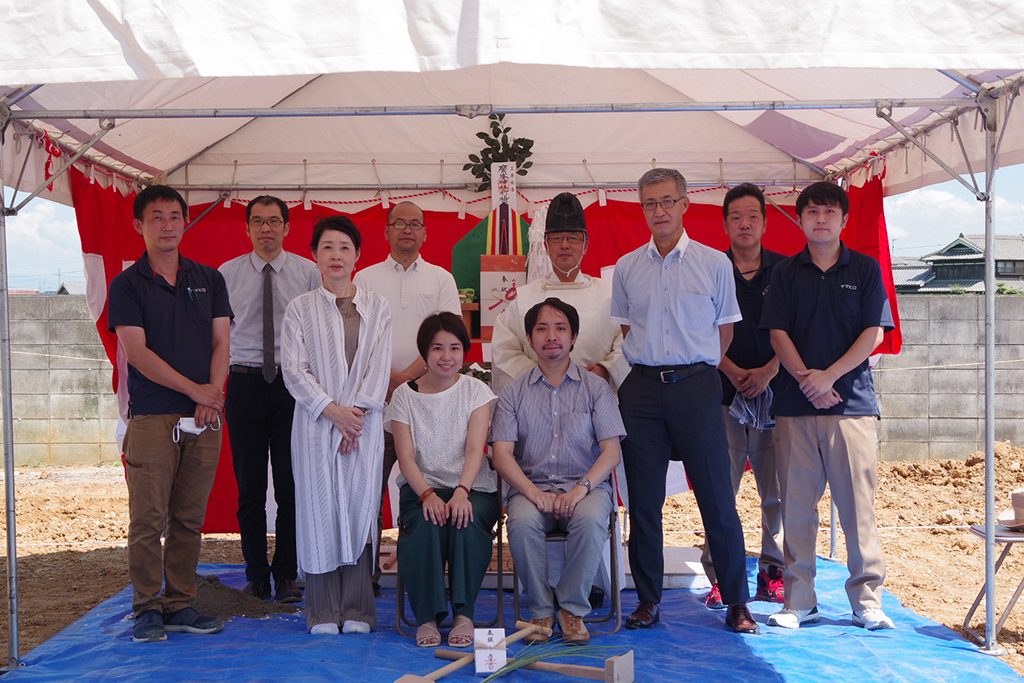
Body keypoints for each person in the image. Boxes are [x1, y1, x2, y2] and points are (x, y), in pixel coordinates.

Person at [610, 168, 759, 635]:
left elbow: (726, 330)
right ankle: (648, 601)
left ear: (685, 203)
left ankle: (737, 601)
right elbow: (625, 329)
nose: (659, 211)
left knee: (717, 497)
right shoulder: (627, 267)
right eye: (650, 203)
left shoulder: (715, 264)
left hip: (697, 387)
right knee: (645, 502)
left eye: (667, 201)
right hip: (642, 390)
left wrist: (696, 369)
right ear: (642, 209)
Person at [760, 182, 895, 631]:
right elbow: (777, 333)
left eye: (829, 212)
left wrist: (829, 376)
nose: (821, 218)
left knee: (858, 507)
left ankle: (867, 600)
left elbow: (874, 333)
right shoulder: (784, 274)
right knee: (797, 507)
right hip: (795, 407)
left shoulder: (866, 268)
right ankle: (800, 601)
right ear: (799, 220)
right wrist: (806, 379)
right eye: (812, 211)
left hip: (851, 404)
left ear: (844, 220)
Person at [108, 185, 232, 643]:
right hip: (153, 418)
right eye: (156, 217)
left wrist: (211, 396)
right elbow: (137, 354)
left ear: (184, 222)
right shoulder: (127, 285)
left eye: (174, 216)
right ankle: (147, 607)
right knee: (147, 519)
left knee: (188, 518)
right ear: (139, 225)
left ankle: (180, 602)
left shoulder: (209, 278)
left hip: (204, 417)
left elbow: (222, 343)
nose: (166, 225)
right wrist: (196, 390)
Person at [491, 298, 625, 646]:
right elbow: (502, 456)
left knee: (594, 516)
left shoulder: (596, 389)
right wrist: (534, 494)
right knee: (520, 520)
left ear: (574, 336)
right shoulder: (513, 393)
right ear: (530, 338)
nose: (552, 336)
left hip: (584, 489)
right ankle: (540, 610)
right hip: (530, 488)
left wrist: (580, 489)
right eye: (542, 328)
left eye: (560, 328)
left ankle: (571, 608)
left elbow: (611, 452)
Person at [282, 215, 392, 635]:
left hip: (361, 428)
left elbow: (379, 370)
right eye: (327, 247)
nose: (336, 255)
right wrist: (332, 411)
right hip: (315, 426)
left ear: (358, 255)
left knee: (360, 509)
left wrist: (354, 417)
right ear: (314, 255)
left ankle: (359, 609)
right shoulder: (300, 309)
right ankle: (323, 610)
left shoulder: (377, 307)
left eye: (345, 247)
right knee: (319, 510)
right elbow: (294, 370)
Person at [353, 200, 462, 593]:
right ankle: (364, 575)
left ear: (425, 233)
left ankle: (427, 573)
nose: (407, 230)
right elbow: (358, 342)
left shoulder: (440, 279)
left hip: (426, 405)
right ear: (385, 231)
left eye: (416, 224)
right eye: (399, 223)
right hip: (373, 404)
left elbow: (449, 339)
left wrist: (408, 378)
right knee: (366, 491)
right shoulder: (363, 279)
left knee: (429, 489)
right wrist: (386, 380)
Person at [219, 196, 321, 603]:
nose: (266, 229)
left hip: (291, 387)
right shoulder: (225, 275)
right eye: (258, 222)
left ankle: (287, 574)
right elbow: (217, 334)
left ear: (287, 228)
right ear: (247, 228)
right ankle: (256, 575)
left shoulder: (308, 274)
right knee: (249, 488)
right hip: (243, 384)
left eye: (274, 221)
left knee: (290, 485)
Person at [386, 312, 499, 649]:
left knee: (465, 520)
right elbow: (405, 457)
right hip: (422, 488)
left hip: (473, 487)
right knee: (425, 524)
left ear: (464, 352)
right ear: (425, 353)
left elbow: (475, 448)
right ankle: (427, 617)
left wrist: (462, 492)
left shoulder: (476, 391)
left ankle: (464, 614)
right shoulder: (404, 396)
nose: (446, 357)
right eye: (437, 349)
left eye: (454, 348)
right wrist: (428, 495)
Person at [701, 183, 786, 610]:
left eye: (753, 215)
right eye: (736, 217)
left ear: (765, 222)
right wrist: (733, 372)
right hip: (722, 394)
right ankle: (721, 577)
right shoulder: (710, 270)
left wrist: (769, 371)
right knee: (722, 490)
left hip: (776, 395)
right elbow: (699, 330)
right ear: (726, 224)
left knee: (777, 491)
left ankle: (773, 573)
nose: (745, 223)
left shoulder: (786, 272)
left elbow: (796, 333)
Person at [491, 192, 626, 394]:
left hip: (596, 397)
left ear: (585, 245)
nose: (564, 245)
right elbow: (504, 351)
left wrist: (606, 370)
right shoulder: (524, 298)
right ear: (546, 246)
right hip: (539, 398)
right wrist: (542, 376)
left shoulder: (610, 294)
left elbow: (628, 342)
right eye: (556, 238)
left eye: (573, 238)